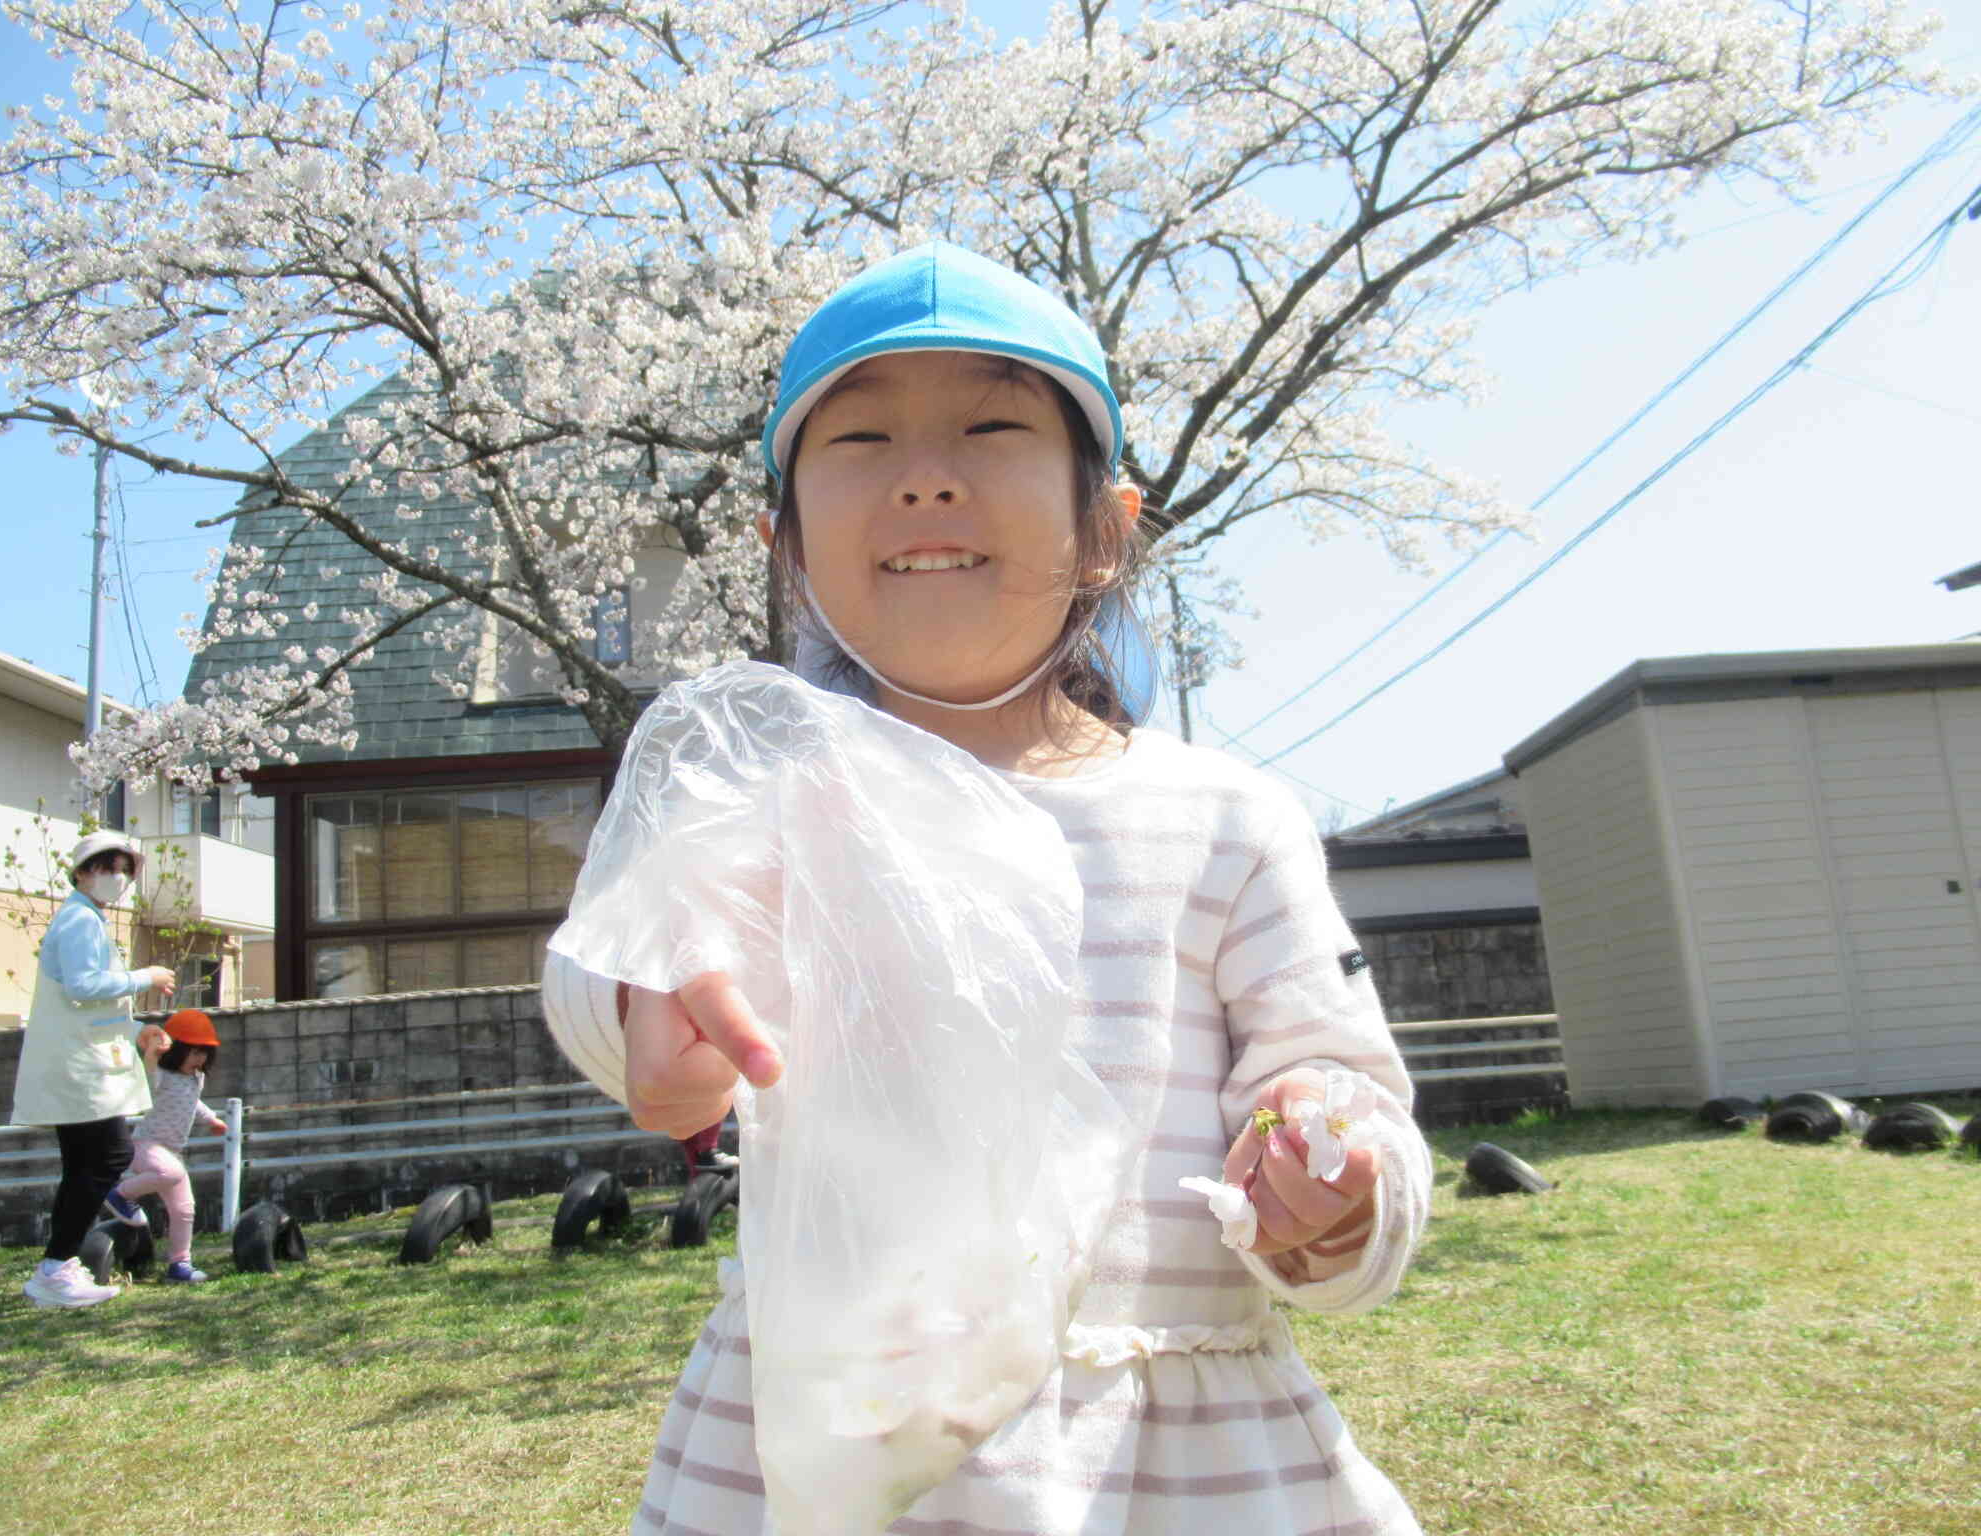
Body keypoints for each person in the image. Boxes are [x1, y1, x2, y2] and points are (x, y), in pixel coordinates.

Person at [542, 242, 1433, 1534]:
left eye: (994, 424)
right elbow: (620, 953)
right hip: (830, 1434)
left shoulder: (1225, 819)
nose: (927, 475)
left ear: (1107, 528)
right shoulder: (759, 795)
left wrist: (1331, 1180)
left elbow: (1343, 1078)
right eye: (859, 442)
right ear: (783, 545)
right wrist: (645, 1014)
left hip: (1183, 1457)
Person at [10, 829, 176, 1309]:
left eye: (124, 870)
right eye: (106, 867)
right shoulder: (81, 921)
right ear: (81, 872)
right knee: (108, 1155)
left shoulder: (81, 919)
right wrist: (147, 976)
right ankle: (56, 1266)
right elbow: (85, 984)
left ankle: (56, 1267)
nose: (117, 878)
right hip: (82, 1070)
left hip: (79, 1063)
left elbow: (81, 1002)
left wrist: (134, 1030)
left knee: (83, 1164)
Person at [105, 1008, 228, 1285]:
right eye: (194, 1052)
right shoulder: (161, 1073)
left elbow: (191, 1103)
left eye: (204, 1053)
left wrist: (212, 1119)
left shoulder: (197, 1078)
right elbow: (146, 1082)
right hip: (145, 1145)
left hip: (171, 1152)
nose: (200, 1059)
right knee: (171, 1173)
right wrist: (150, 1055)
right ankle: (119, 1195)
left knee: (185, 1209)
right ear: (176, 1051)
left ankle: (179, 1265)